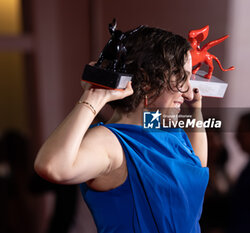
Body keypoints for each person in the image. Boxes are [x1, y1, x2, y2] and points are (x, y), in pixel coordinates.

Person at [34, 26, 209, 233]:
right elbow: (52, 167)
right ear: (146, 81)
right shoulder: (111, 142)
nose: (189, 92)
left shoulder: (167, 131)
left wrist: (196, 110)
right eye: (181, 77)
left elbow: (196, 165)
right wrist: (94, 97)